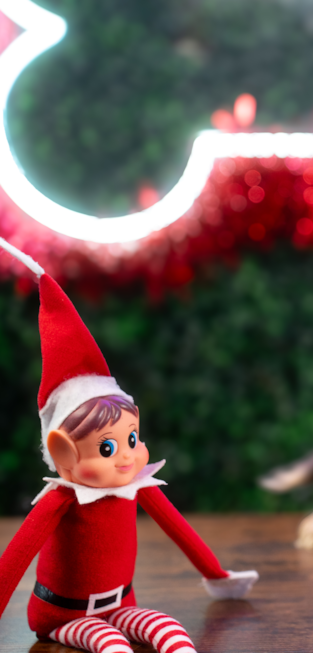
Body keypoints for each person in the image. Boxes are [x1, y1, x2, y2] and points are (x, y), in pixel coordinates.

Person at [0, 237, 258, 653]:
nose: (128, 456)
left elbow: (181, 531)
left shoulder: (136, 485)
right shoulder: (61, 500)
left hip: (122, 602)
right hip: (62, 615)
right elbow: (14, 559)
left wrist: (217, 575)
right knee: (112, 646)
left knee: (172, 633)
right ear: (64, 452)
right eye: (107, 448)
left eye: (132, 439)